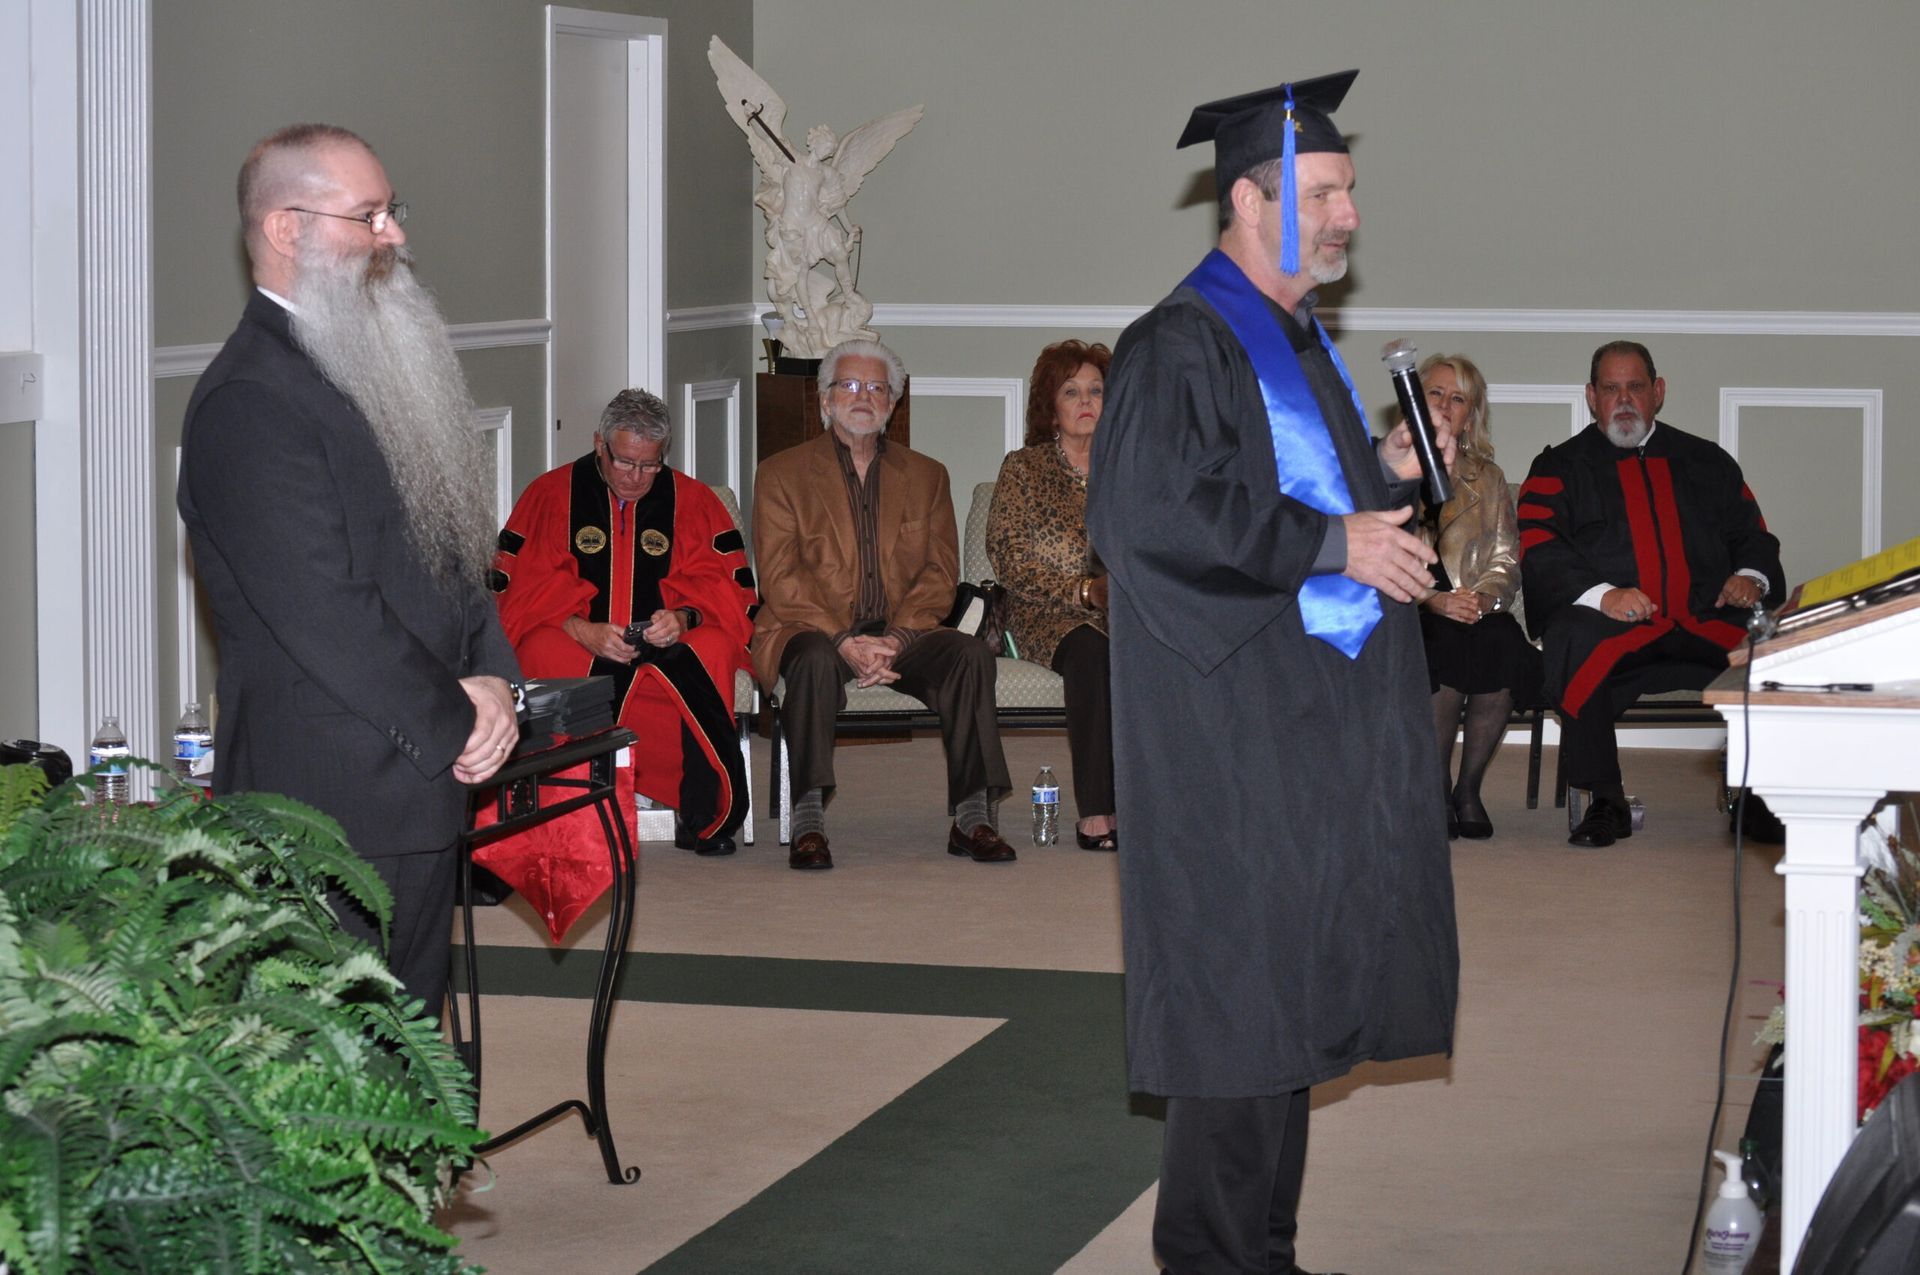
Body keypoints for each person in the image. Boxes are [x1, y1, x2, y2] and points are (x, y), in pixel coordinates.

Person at [1087, 71, 1459, 1275]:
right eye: (1322, 194)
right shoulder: (1176, 346)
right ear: (1248, 201)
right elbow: (1147, 517)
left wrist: (1385, 475)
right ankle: (1209, 1256)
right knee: (1237, 1009)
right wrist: (1336, 540)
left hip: (1301, 724)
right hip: (1228, 734)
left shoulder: (1295, 338)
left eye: (1348, 191)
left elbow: (1285, 495)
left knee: (1287, 1000)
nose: (1349, 214)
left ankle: (1268, 1253)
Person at [178, 124, 520, 1015]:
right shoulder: (250, 399)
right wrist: (458, 719)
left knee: (409, 1038)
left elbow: (452, 548)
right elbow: (327, 612)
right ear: (287, 229)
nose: (393, 235)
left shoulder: (368, 362)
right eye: (368, 216)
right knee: (338, 1056)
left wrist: (495, 678)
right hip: (326, 800)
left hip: (415, 775)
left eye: (390, 211)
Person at [750, 338, 1014, 871]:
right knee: (813, 660)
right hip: (811, 628)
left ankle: (972, 817)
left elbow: (940, 573)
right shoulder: (781, 474)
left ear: (893, 403)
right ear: (825, 400)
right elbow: (781, 579)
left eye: (877, 387)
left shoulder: (927, 475)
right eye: (849, 385)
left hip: (902, 632)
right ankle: (808, 820)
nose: (863, 396)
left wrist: (895, 639)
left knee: (969, 656)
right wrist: (845, 639)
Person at [1518, 340, 1785, 848]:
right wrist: (1603, 596)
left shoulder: (1707, 461)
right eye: (1611, 388)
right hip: (1615, 626)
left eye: (1635, 387)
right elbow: (1539, 541)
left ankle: (1756, 795)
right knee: (1572, 638)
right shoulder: (1559, 467)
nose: (1624, 400)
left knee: (1773, 645)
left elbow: (1751, 532)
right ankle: (1606, 800)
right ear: (1591, 396)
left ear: (1657, 392)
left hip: (1707, 615)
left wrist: (1751, 576)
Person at [490, 388, 757, 856]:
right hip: (580, 638)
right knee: (538, 648)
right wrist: (581, 628)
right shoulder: (551, 494)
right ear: (600, 444)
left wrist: (683, 617)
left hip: (665, 645)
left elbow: (724, 586)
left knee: (713, 646)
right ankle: (559, 806)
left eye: (650, 465)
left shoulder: (692, 500)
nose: (636, 477)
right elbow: (525, 585)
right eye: (625, 462)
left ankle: (699, 812)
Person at [986, 339, 1117, 850]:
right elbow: (1009, 558)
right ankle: (1099, 812)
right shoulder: (1024, 468)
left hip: (1126, 611)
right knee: (1091, 651)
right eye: (1071, 391)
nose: (1086, 402)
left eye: (1096, 391)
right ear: (1051, 406)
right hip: (1046, 614)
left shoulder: (1128, 470)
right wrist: (1084, 592)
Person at [1414, 353, 1541, 840]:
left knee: (1502, 644)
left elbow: (1507, 558)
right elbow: (1377, 553)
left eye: (1458, 399)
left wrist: (1483, 600)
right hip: (1409, 605)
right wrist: (1433, 599)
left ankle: (1468, 790)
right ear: (1415, 400)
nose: (1446, 406)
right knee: (1441, 643)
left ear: (1471, 415)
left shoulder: (1488, 477)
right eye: (1436, 393)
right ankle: (1435, 788)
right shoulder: (1386, 468)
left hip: (1474, 602)